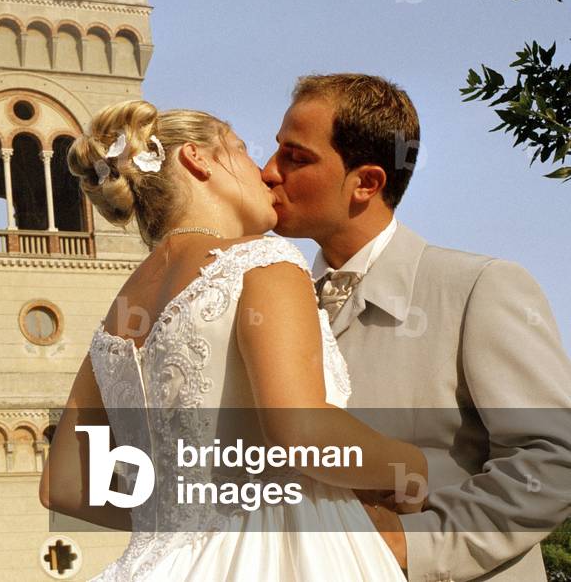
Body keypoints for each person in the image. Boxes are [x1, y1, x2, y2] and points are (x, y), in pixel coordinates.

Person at [39, 99, 427, 580]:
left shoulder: (116, 318)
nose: (265, 173)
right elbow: (300, 433)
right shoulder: (261, 262)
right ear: (197, 159)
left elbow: (66, 484)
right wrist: (407, 466)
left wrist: (174, 518)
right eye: (242, 150)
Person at [261, 73, 571, 581]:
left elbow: (554, 458)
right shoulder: (272, 305)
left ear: (366, 183)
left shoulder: (479, 287)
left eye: (296, 157)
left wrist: (412, 546)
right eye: (276, 151)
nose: (268, 172)